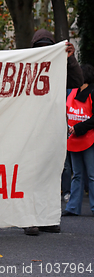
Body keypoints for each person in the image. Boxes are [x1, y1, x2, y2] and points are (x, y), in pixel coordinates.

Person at [23, 29, 84, 236]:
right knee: (30, 175)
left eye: (48, 48)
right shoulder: (25, 67)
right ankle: (29, 219)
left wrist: (70, 59)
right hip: (30, 129)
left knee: (50, 174)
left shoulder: (59, 69)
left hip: (52, 129)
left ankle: (47, 219)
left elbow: (77, 81)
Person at [63, 64, 94, 217]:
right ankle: (73, 207)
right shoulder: (73, 92)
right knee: (77, 174)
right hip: (74, 138)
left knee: (91, 175)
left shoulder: (92, 93)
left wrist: (79, 127)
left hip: (88, 139)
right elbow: (67, 112)